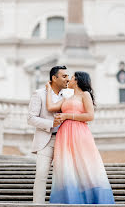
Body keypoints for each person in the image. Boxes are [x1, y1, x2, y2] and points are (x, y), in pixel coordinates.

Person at [46, 71, 115, 204]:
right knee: (66, 166)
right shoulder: (66, 98)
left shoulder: (85, 95)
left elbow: (90, 116)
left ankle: (91, 198)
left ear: (77, 80)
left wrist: (67, 116)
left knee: (84, 164)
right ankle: (70, 199)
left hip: (79, 133)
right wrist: (49, 89)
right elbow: (50, 107)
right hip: (64, 134)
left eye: (71, 77)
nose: (69, 80)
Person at [27, 65, 69, 203]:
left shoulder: (68, 96)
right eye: (64, 76)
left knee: (62, 177)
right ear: (54, 78)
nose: (67, 79)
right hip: (45, 141)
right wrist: (52, 124)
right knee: (41, 175)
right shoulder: (39, 94)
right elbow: (31, 118)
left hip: (63, 141)